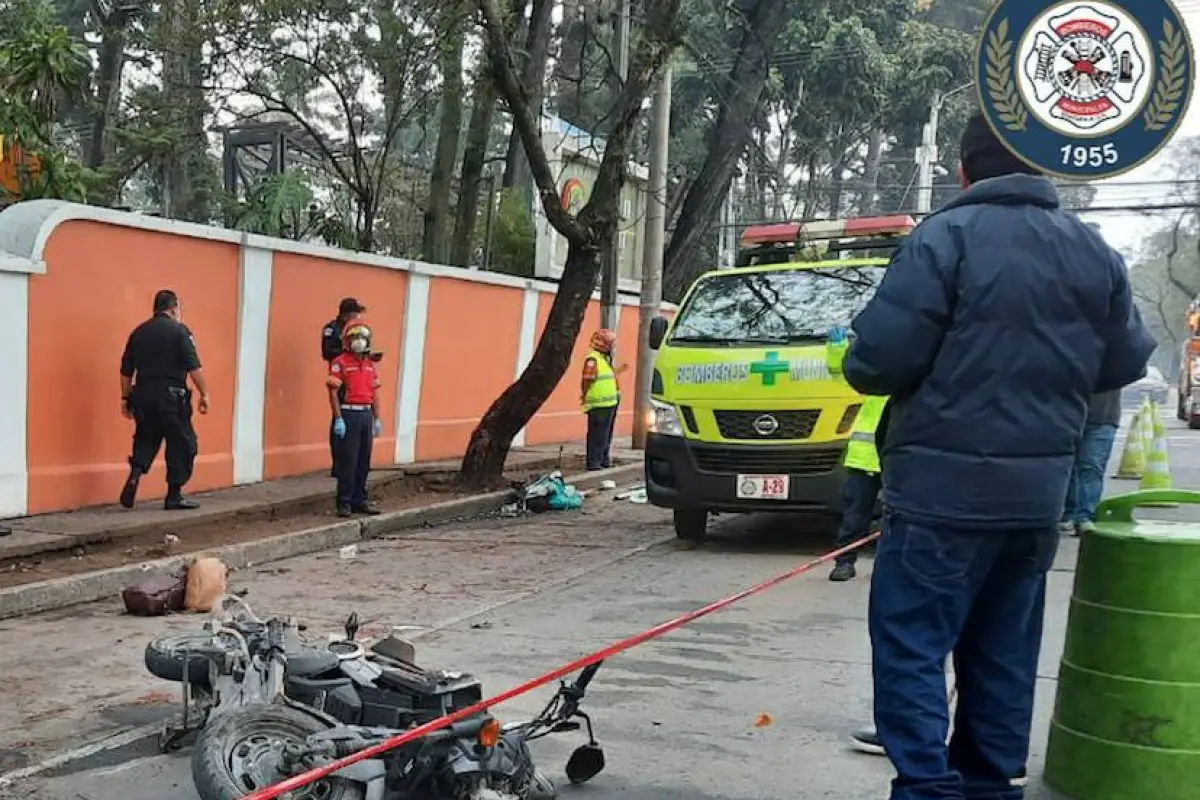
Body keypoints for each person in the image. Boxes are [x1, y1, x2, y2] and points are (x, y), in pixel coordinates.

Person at [840, 112, 1155, 800]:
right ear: (1042, 166)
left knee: (913, 647)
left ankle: (927, 785)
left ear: (963, 172)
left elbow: (874, 362)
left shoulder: (943, 240)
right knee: (1003, 652)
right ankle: (988, 785)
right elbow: (1126, 357)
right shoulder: (1092, 251)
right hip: (1035, 500)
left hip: (938, 497)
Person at [119, 289, 211, 510]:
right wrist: (204, 393)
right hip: (172, 398)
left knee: (146, 438)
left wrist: (125, 398)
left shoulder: (138, 333)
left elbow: (125, 370)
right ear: (173, 308)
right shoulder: (180, 332)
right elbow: (194, 367)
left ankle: (135, 475)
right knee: (182, 444)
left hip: (143, 396)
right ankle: (174, 495)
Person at [327, 319, 383, 518]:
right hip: (348, 414)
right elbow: (333, 393)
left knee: (363, 461)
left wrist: (377, 418)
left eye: (362, 337)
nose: (358, 341)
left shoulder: (369, 365)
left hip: (365, 414)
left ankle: (359, 499)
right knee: (348, 461)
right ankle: (344, 502)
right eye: (354, 337)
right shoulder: (340, 363)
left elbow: (375, 393)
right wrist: (339, 418)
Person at [1060, 390, 1121, 536]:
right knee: (1067, 466)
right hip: (1067, 416)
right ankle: (1068, 513)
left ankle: (1083, 517)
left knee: (1091, 467)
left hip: (1102, 417)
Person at [323, 298, 366, 477]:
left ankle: (352, 464)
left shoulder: (355, 330)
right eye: (355, 312)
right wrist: (346, 351)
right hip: (340, 377)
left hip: (356, 378)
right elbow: (327, 352)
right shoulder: (332, 329)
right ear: (347, 313)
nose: (357, 316)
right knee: (339, 418)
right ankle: (338, 465)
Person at [580, 329, 628, 471]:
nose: (611, 348)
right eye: (610, 345)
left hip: (610, 403)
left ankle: (603, 460)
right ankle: (594, 462)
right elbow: (587, 380)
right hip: (598, 404)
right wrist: (584, 396)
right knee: (597, 435)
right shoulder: (592, 360)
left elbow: (607, 377)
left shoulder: (603, 360)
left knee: (606, 435)